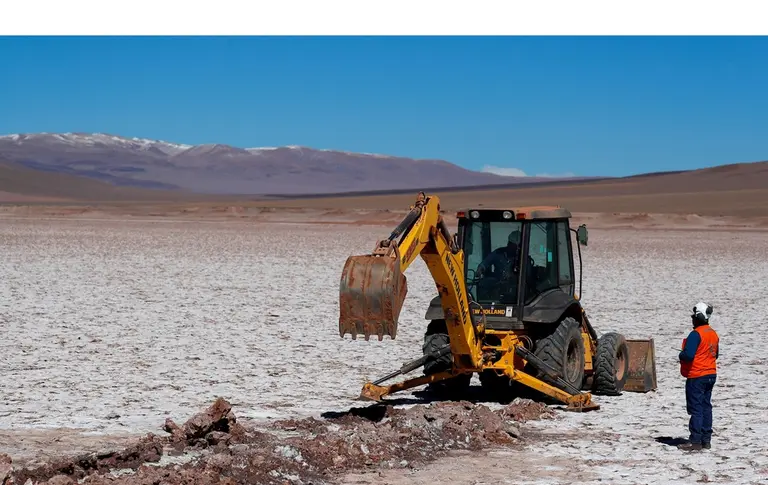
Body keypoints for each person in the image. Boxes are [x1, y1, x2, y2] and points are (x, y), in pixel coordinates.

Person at [678, 301, 719, 451]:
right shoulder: (713, 333)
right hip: (711, 374)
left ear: (698, 317)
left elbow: (688, 356)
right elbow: (716, 354)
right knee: (706, 407)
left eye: (693, 317)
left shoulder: (696, 334)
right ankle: (706, 440)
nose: (692, 319)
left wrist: (681, 354)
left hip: (697, 376)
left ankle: (695, 441)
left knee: (696, 409)